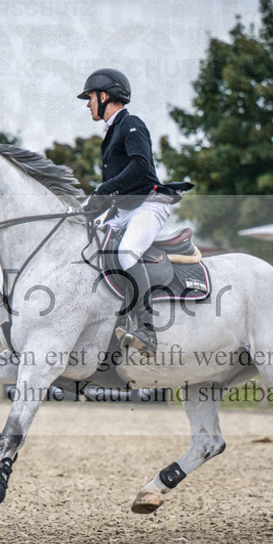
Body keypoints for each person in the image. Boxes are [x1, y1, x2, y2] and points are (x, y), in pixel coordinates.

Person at [78, 68, 168, 353]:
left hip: (148, 206)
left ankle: (147, 328)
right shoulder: (113, 131)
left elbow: (140, 167)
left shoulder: (131, 124)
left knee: (126, 253)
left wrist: (103, 192)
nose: (88, 103)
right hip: (126, 209)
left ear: (104, 96)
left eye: (90, 97)